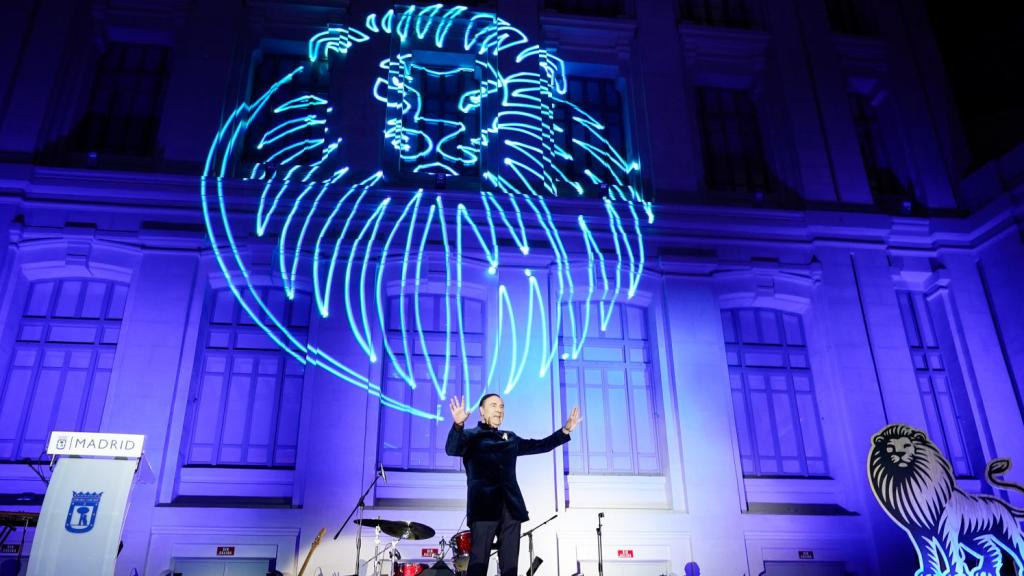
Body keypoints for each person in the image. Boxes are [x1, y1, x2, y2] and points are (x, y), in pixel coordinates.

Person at [445, 393, 582, 576]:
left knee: (510, 567)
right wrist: (458, 425)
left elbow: (540, 445)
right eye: (493, 405)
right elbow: (452, 449)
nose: (499, 410)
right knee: (478, 564)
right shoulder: (471, 436)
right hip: (483, 509)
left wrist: (565, 431)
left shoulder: (510, 438)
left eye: (502, 406)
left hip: (511, 508)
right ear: (482, 411)